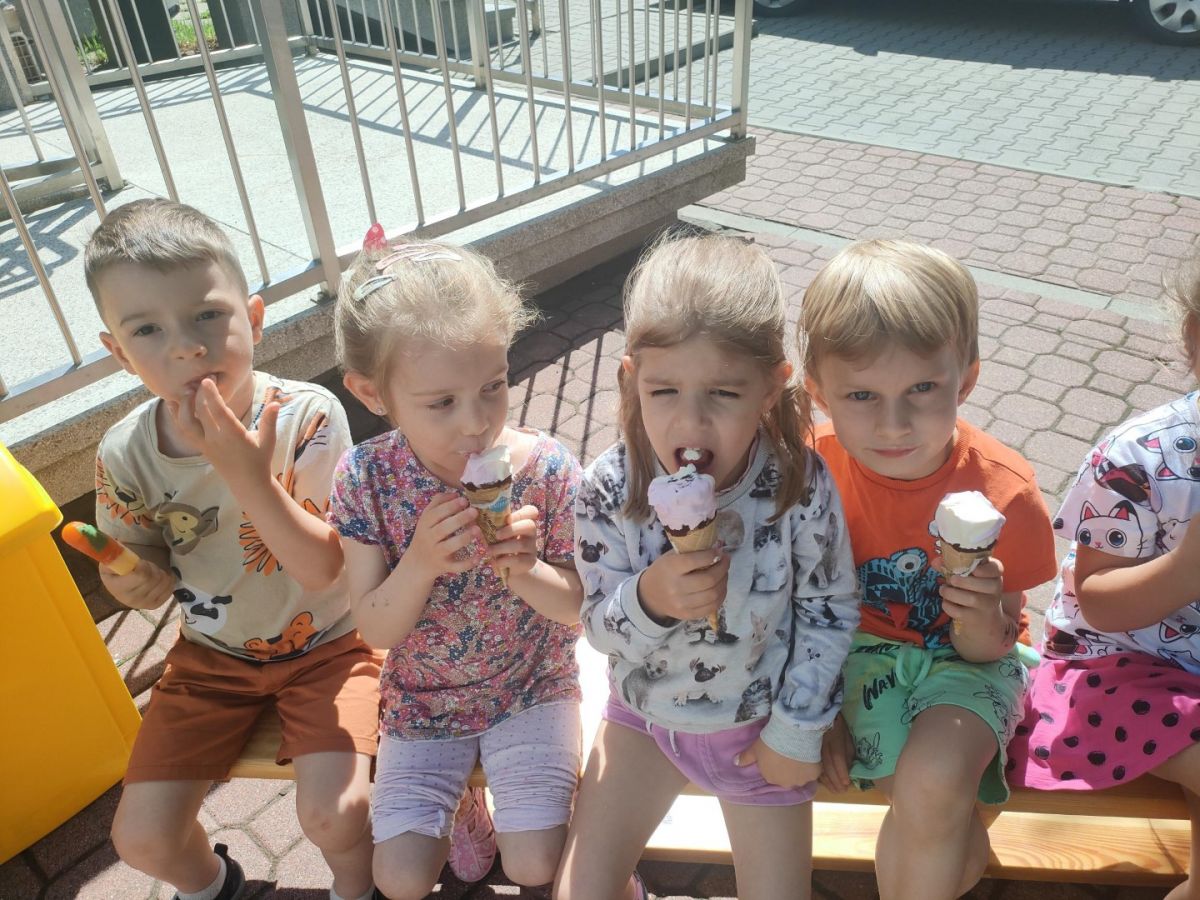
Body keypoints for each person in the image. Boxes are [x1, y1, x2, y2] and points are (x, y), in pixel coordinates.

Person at [88, 199, 382, 900]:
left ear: (253, 318)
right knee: (142, 838)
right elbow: (137, 562)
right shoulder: (126, 452)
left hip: (334, 642)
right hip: (213, 657)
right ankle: (215, 886)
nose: (186, 346)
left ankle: (356, 888)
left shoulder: (307, 416)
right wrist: (135, 582)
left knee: (336, 814)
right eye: (147, 329)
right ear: (120, 354)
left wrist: (245, 473)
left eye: (207, 316)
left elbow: (325, 567)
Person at [555, 232, 860, 900]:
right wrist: (650, 599)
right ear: (632, 380)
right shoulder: (610, 486)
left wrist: (797, 729)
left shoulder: (798, 483)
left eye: (723, 393)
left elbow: (828, 609)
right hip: (644, 722)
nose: (690, 422)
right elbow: (597, 626)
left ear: (771, 388)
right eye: (664, 390)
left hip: (761, 729)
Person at [328, 227, 584, 900]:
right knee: (400, 879)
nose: (477, 423)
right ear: (372, 393)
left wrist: (526, 570)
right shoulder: (366, 478)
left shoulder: (548, 470)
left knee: (534, 865)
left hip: (532, 683)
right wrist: (418, 563)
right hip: (423, 700)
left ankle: (594, 860)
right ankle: (467, 811)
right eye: (441, 402)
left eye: (493, 386)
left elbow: (578, 606)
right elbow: (375, 629)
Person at [802, 239, 1058, 900]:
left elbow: (994, 644)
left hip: (969, 664)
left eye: (922, 387)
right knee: (936, 814)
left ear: (965, 380)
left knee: (935, 783)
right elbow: (791, 604)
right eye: (862, 394)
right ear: (818, 393)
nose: (895, 424)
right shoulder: (808, 471)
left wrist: (979, 614)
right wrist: (814, 710)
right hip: (855, 657)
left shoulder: (1004, 492)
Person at [1008, 255, 1200, 900]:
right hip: (1118, 667)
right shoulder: (1143, 458)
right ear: (1196, 341)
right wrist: (1186, 569)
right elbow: (1097, 602)